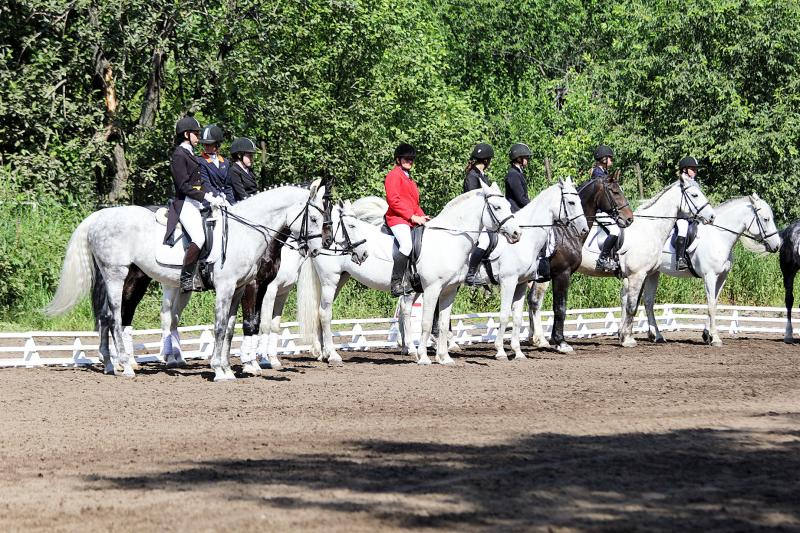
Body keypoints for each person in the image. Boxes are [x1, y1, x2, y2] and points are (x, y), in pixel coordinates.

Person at [168, 116, 226, 292]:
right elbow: (183, 186)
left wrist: (213, 196)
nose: (198, 137)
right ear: (187, 134)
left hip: (196, 201)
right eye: (196, 134)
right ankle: (186, 279)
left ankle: (205, 271)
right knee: (199, 238)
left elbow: (198, 181)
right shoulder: (179, 154)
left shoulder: (189, 153)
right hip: (184, 202)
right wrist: (205, 197)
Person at [385, 143, 429, 297]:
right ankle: (396, 283)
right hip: (396, 218)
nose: (409, 161)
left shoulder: (410, 180)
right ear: (398, 159)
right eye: (406, 158)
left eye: (411, 159)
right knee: (406, 245)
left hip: (409, 218)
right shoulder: (393, 175)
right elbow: (394, 201)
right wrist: (412, 217)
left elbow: (414, 204)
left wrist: (423, 217)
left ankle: (413, 277)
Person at [463, 142, 496, 285]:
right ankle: (470, 274)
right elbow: (472, 199)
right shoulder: (472, 176)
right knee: (485, 241)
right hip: (473, 219)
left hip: (483, 218)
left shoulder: (482, 175)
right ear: (486, 160)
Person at [592, 145, 620, 272]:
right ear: (603, 159)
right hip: (599, 211)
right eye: (610, 159)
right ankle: (602, 259)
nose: (611, 161)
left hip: (607, 211)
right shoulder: (597, 174)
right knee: (615, 231)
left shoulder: (604, 173)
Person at [197, 124, 234, 205]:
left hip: (225, 201)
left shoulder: (225, 162)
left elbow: (228, 186)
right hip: (210, 201)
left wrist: (231, 202)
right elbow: (206, 185)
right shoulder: (200, 162)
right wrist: (219, 200)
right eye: (204, 144)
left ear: (217, 144)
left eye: (209, 144)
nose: (206, 146)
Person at [675, 156, 700, 271]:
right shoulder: (679, 184)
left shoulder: (695, 184)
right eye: (692, 169)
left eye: (695, 169)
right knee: (683, 229)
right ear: (684, 169)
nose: (695, 171)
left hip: (694, 217)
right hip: (681, 216)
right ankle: (679, 259)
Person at [228, 137, 259, 202]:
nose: (252, 159)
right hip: (244, 205)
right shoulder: (234, 171)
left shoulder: (248, 169)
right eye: (249, 156)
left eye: (252, 156)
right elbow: (242, 194)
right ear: (239, 155)